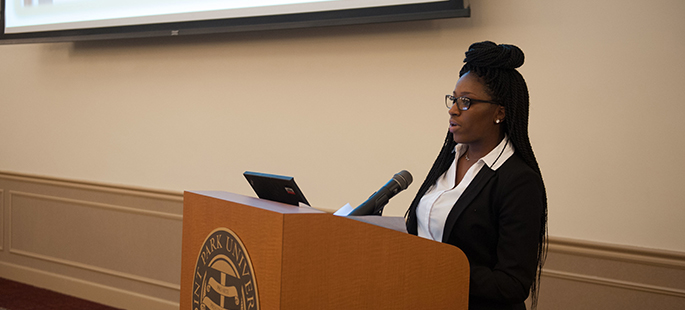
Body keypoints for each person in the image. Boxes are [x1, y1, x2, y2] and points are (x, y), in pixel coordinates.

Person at [405, 41, 548, 310]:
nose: (453, 110)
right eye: (454, 99)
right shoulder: (449, 161)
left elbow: (512, 284)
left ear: (499, 112)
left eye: (466, 102)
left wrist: (437, 266)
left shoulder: (518, 181)